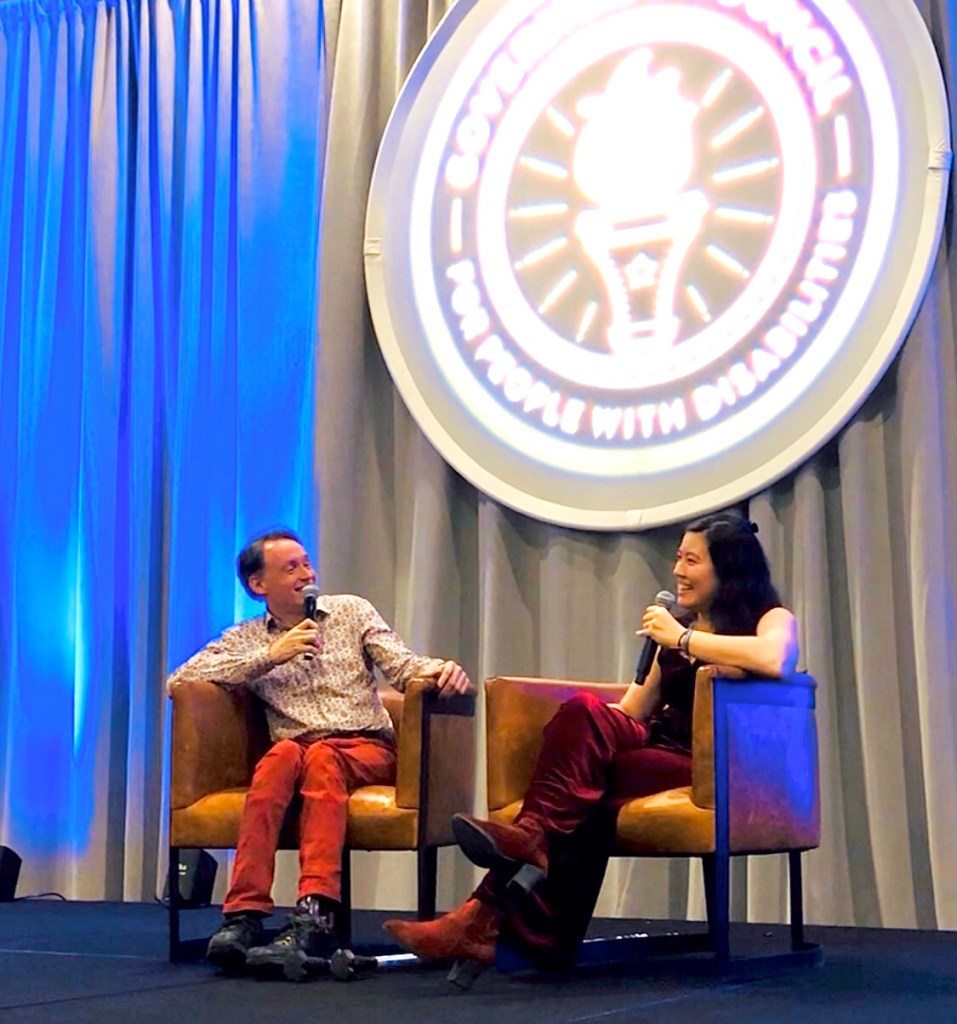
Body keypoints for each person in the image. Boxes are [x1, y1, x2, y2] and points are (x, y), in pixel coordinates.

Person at [384, 510, 798, 972]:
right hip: (655, 747)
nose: (677, 571)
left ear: (728, 568)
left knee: (591, 780)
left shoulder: (768, 618)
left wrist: (681, 639)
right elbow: (630, 712)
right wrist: (575, 738)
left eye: (691, 561)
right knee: (583, 726)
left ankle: (489, 911)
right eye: (677, 558)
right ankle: (514, 877)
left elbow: (776, 658)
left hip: (714, 764)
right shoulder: (677, 629)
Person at [166, 528, 471, 974]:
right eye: (291, 567)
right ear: (258, 584)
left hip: (364, 747)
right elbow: (179, 682)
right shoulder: (247, 639)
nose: (307, 574)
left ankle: (315, 911)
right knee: (280, 758)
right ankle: (244, 916)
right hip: (296, 751)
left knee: (321, 758)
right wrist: (271, 655)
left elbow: (402, 666)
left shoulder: (350, 611)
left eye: (307, 564)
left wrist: (440, 670)